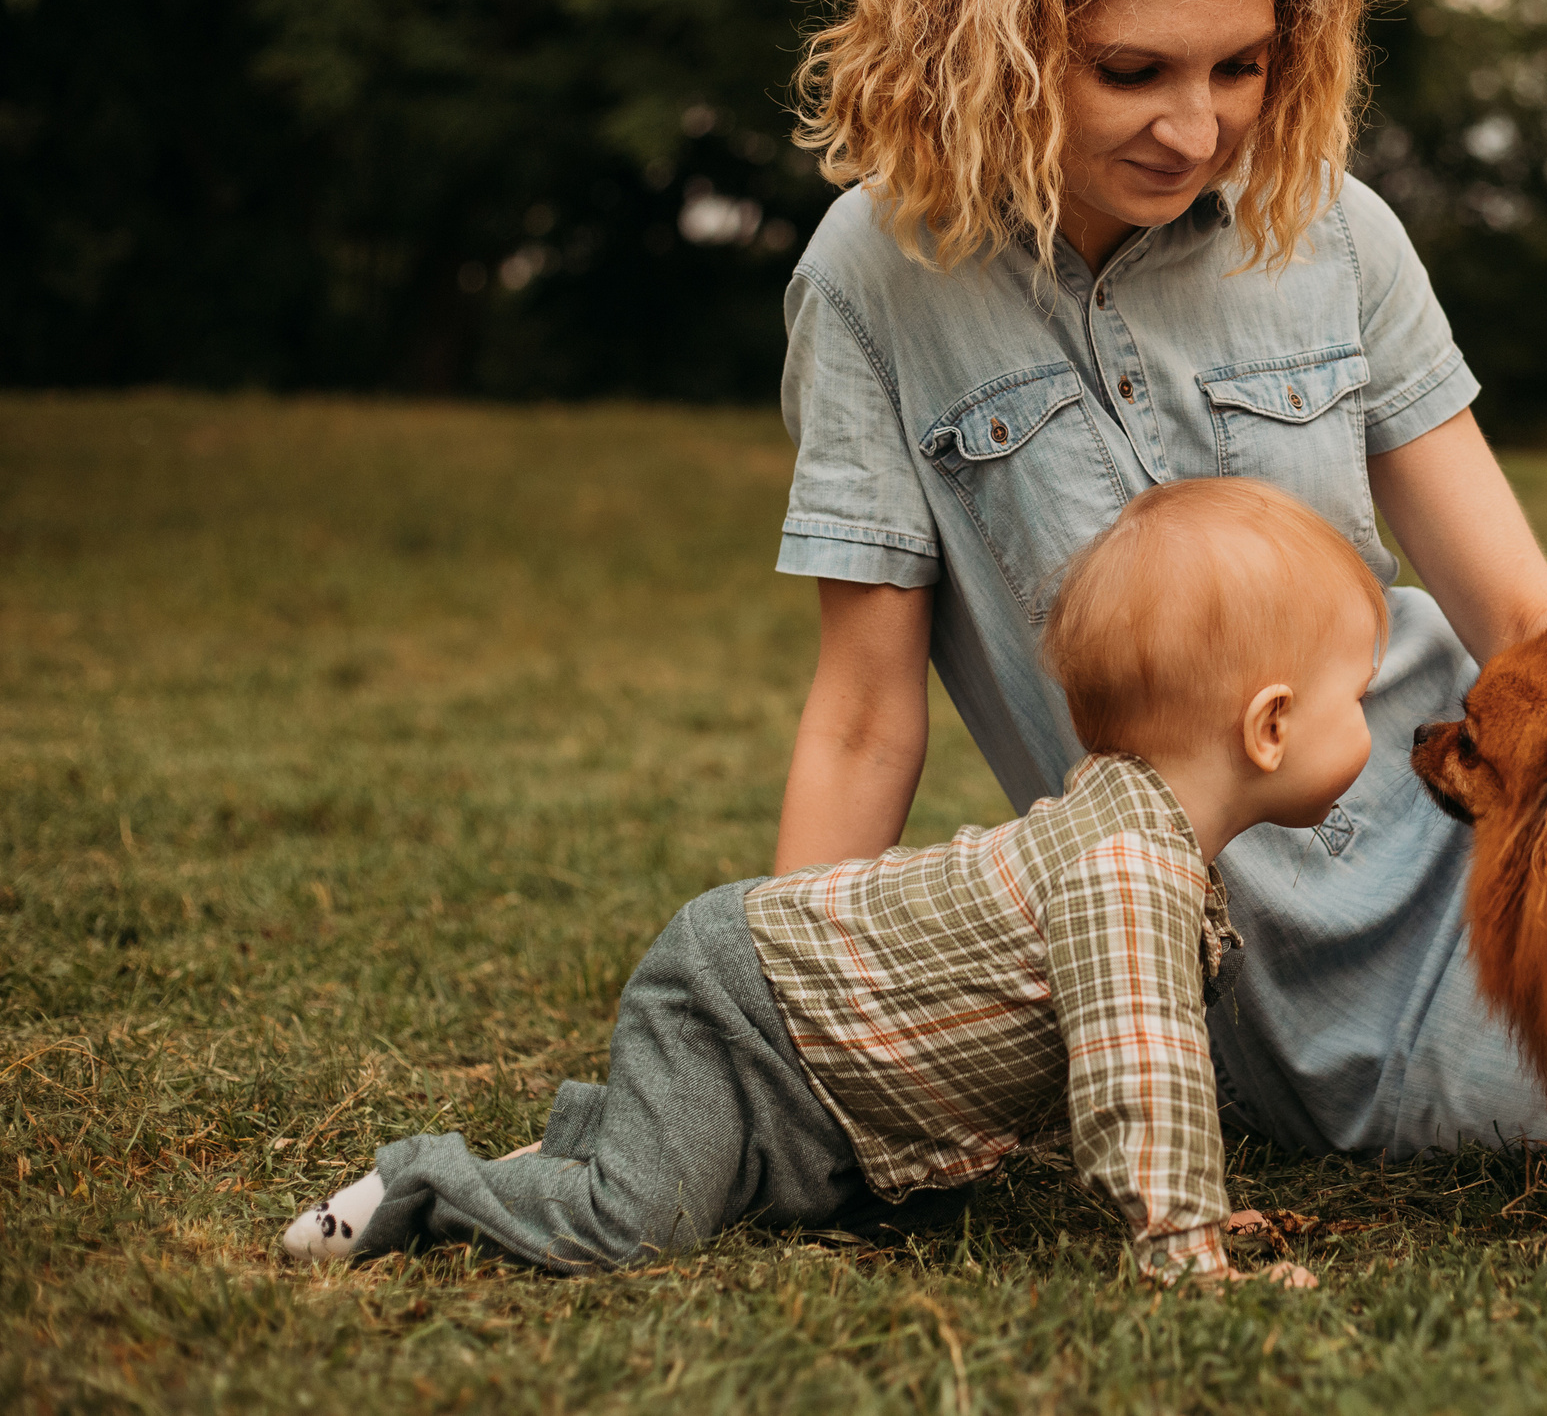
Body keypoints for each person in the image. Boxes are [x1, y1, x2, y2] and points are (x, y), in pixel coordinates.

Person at [775, 0, 1547, 1161]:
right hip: (1212, 966)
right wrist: (800, 1031)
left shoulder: (1335, 229)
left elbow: (1515, 624)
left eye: (1243, 65)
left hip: (1489, 863)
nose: (1198, 126)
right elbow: (864, 714)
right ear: (999, 43)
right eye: (1131, 70)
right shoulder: (875, 279)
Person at [280, 478, 1375, 1283]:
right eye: (1356, 696)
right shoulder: (1125, 868)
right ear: (1270, 725)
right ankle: (423, 1182)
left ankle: (594, 1138)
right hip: (745, 1000)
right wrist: (1183, 1251)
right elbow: (1143, 1074)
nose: (1370, 721)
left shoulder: (1134, 834)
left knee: (761, 1193)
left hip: (812, 1064)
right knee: (633, 1228)